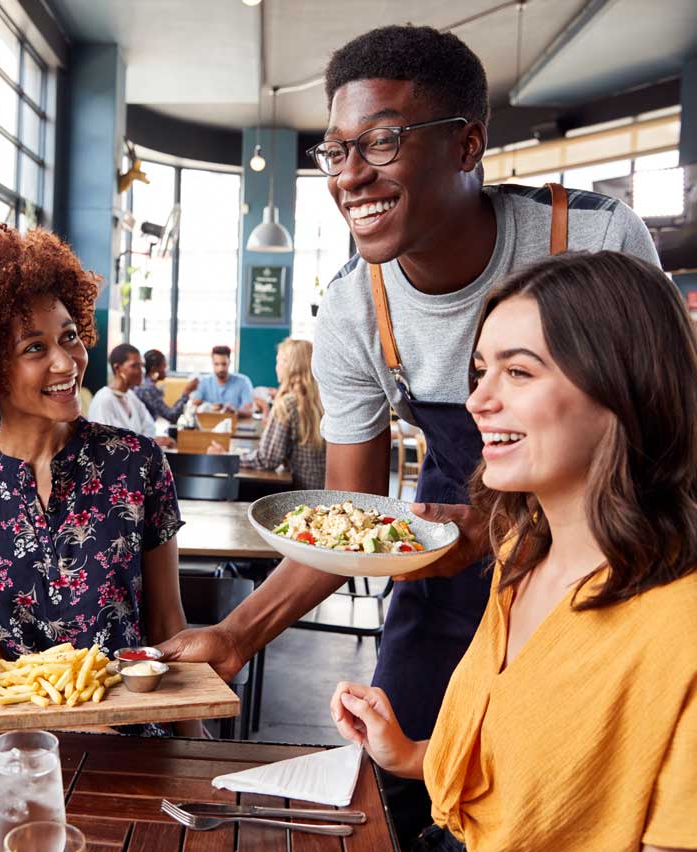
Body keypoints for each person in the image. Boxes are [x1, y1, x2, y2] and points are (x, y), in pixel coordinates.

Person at [159, 24, 661, 845]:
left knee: (575, 782)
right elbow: (351, 518)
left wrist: (504, 526)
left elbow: (665, 446)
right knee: (408, 776)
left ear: (468, 145)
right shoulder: (354, 306)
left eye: (383, 141)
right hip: (444, 553)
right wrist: (236, 634)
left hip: (610, 550)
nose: (350, 173)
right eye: (336, 149)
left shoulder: (596, 239)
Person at [332, 251, 697, 852]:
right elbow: (524, 780)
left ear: (625, 387)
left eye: (519, 372)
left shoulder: (680, 627)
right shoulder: (522, 555)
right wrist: (408, 753)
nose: (477, 401)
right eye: (480, 371)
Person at [0, 222, 197, 736]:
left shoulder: (138, 463)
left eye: (69, 337)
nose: (66, 361)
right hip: (13, 740)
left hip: (134, 738)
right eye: (34, 347)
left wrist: (192, 750)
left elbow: (167, 628)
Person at [211, 338, 325, 490]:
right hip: (320, 491)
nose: (276, 367)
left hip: (299, 495)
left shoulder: (288, 403)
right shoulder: (319, 401)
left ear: (290, 366)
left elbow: (267, 459)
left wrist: (226, 456)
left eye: (278, 361)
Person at [88, 343, 173, 447]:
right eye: (135, 366)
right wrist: (146, 442)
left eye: (142, 365)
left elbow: (149, 427)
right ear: (117, 368)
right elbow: (106, 443)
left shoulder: (130, 396)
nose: (142, 371)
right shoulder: (104, 400)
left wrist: (148, 442)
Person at [132, 348, 198, 424]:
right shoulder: (148, 388)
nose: (166, 370)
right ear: (154, 368)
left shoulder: (144, 383)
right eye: (164, 366)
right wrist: (187, 392)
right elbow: (172, 416)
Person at [191, 345, 254, 417]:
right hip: (209, 422)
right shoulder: (203, 382)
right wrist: (209, 407)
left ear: (229, 362)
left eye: (224, 364)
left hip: (236, 422)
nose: (221, 369)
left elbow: (249, 410)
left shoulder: (243, 382)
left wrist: (234, 411)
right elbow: (194, 406)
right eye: (216, 364)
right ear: (212, 363)